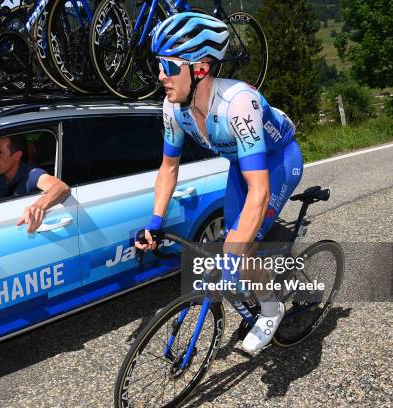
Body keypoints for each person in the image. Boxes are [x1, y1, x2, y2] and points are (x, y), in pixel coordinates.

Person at [136, 12, 303, 354]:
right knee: (233, 240)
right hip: (240, 164)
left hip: (278, 162)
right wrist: (155, 221)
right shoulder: (173, 107)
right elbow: (169, 167)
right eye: (158, 65)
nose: (160, 76)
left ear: (199, 69)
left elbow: (260, 189)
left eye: (168, 66)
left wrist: (237, 251)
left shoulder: (238, 104)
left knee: (241, 248)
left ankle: (272, 308)